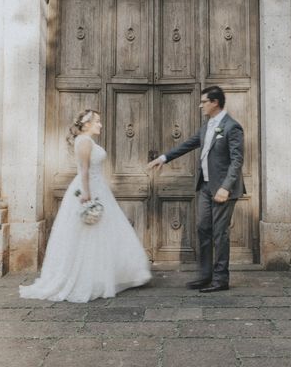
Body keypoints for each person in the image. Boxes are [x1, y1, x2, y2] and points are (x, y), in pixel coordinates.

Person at [19, 109, 151, 302]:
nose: (101, 125)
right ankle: (88, 278)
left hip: (98, 188)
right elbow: (85, 170)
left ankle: (103, 275)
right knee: (88, 233)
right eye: (97, 121)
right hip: (88, 188)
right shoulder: (84, 141)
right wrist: (87, 194)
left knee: (103, 233)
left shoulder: (88, 141)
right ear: (87, 124)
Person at [148, 86, 244, 292]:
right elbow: (188, 144)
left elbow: (237, 161)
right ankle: (205, 275)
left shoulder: (231, 127)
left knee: (220, 234)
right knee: (203, 229)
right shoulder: (208, 125)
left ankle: (220, 280)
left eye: (204, 101)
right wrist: (164, 158)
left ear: (215, 102)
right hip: (206, 187)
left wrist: (226, 187)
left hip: (223, 190)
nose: (201, 105)